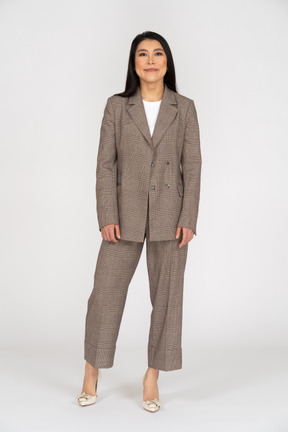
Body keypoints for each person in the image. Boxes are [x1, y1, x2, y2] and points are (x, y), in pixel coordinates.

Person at [77, 30, 202, 412]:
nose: (151, 60)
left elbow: (193, 166)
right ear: (134, 63)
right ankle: (91, 370)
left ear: (167, 62)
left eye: (158, 53)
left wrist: (189, 217)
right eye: (143, 54)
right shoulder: (117, 107)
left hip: (170, 215)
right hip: (123, 214)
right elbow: (104, 165)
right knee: (105, 294)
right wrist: (107, 214)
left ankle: (152, 376)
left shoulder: (185, 107)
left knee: (167, 300)